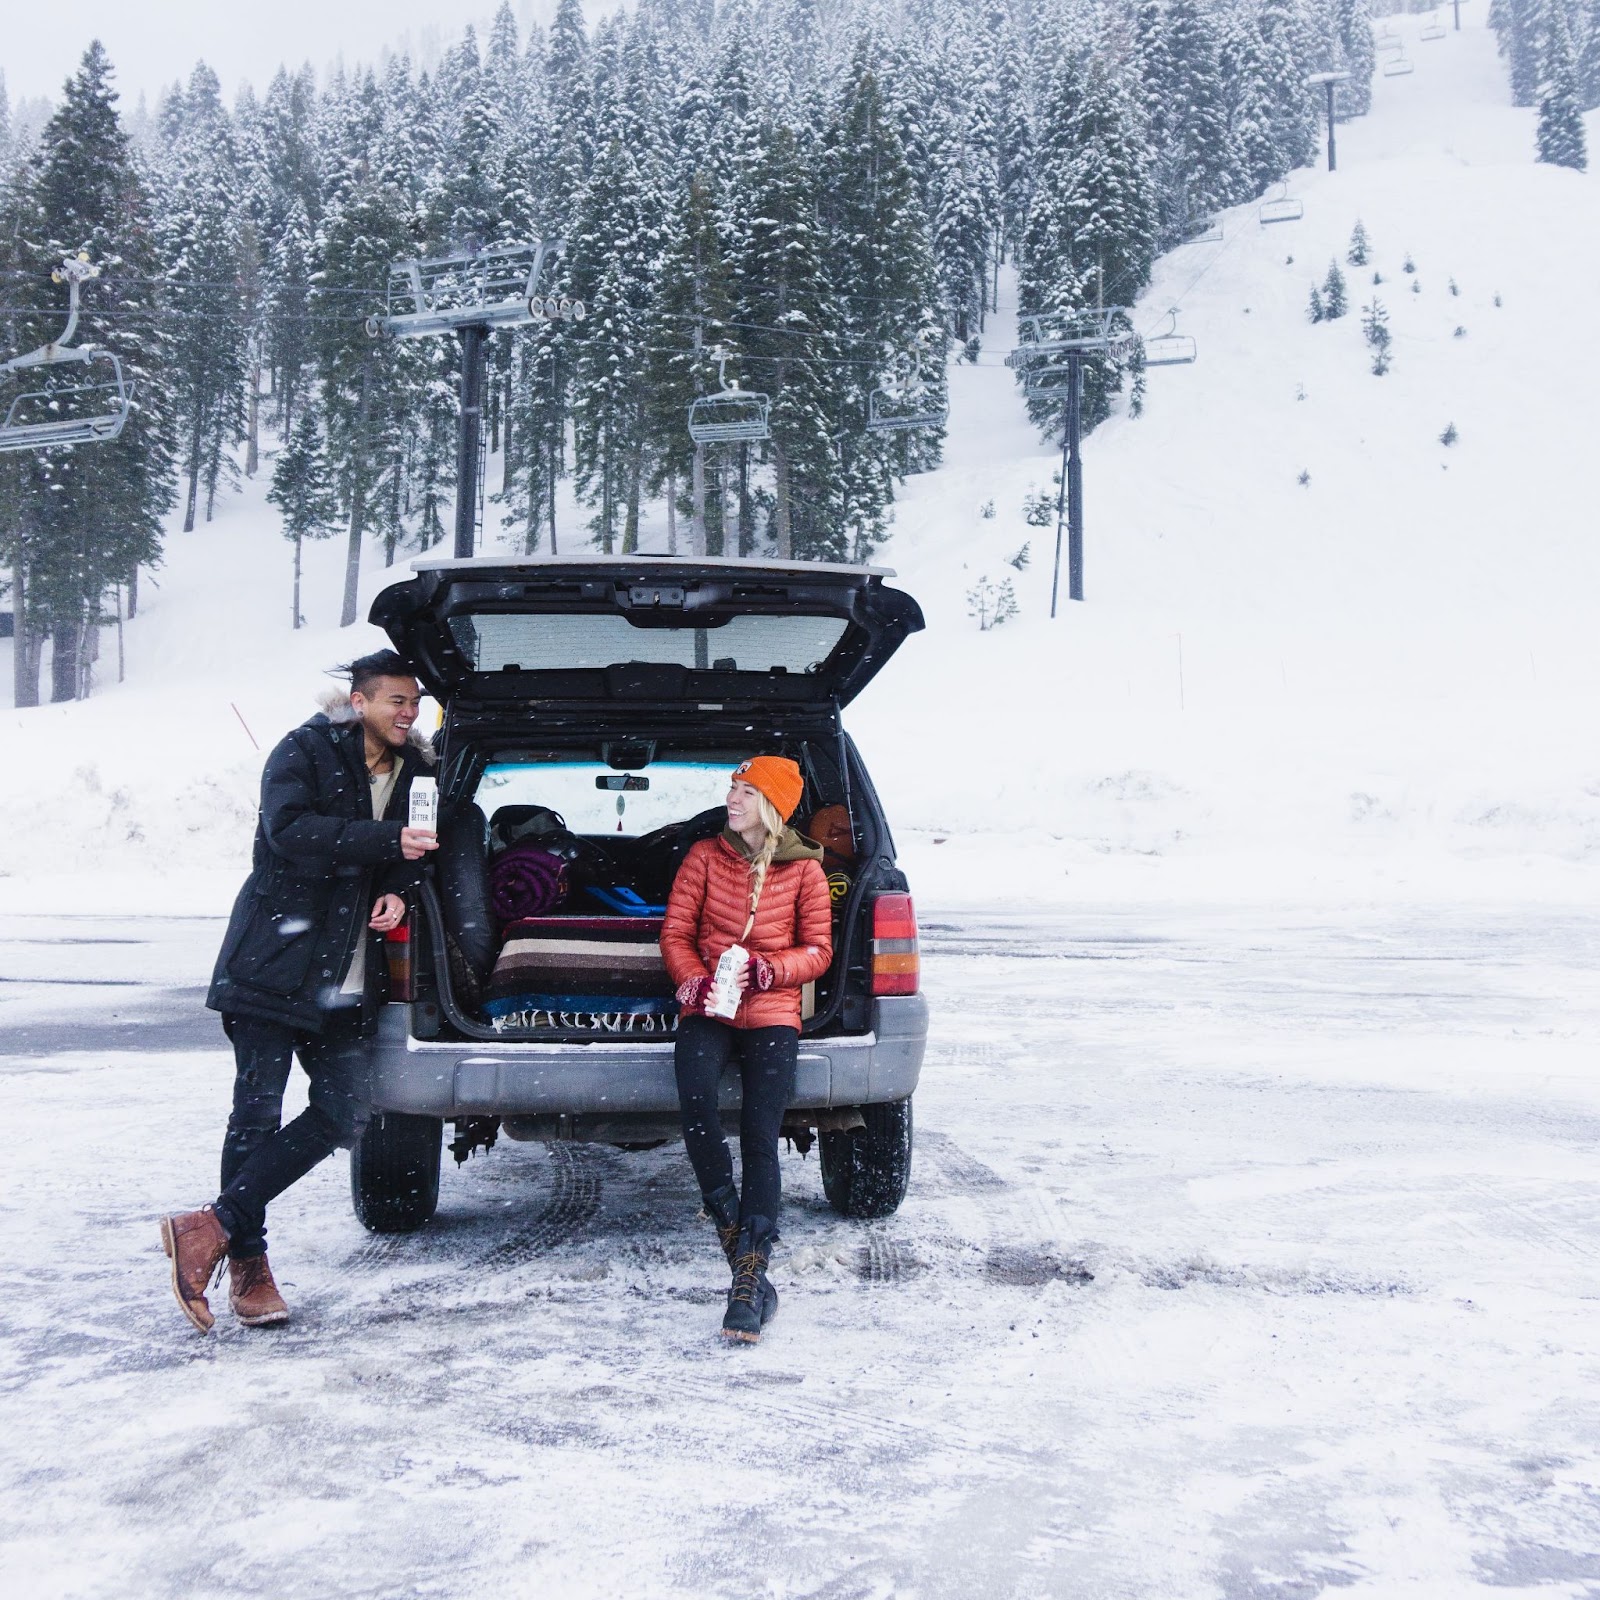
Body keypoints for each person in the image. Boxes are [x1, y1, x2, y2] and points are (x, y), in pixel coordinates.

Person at [159, 650, 438, 1333]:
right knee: (255, 1114)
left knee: (344, 1114)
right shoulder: (304, 750)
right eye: (396, 701)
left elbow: (416, 854)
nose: (409, 713)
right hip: (274, 961)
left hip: (346, 977)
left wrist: (398, 892)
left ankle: (211, 1224)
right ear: (360, 701)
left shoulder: (418, 770)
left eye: (414, 702)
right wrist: (387, 841)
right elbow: (289, 833)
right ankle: (249, 1263)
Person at [660, 756, 832, 1344]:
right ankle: (739, 1243)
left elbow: (819, 950)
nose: (732, 799)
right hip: (709, 1006)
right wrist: (692, 980)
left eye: (746, 791)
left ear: (773, 806)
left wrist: (769, 970)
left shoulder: (805, 870)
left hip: (771, 1009)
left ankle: (747, 1279)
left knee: (761, 1134)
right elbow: (675, 934)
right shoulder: (705, 856)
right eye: (732, 788)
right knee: (696, 1106)